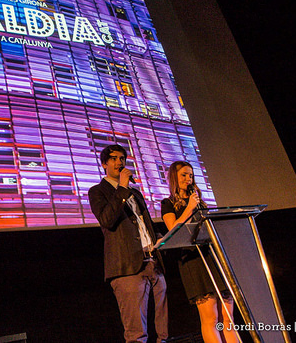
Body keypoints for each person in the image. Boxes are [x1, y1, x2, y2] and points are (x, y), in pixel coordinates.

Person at [88, 144, 169, 343]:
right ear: (104, 164)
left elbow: (145, 223)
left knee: (163, 332)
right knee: (136, 334)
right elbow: (107, 220)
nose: (120, 162)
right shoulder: (97, 191)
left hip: (152, 262)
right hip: (126, 268)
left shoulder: (136, 193)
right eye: (114, 158)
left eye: (122, 158)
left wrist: (158, 236)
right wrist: (122, 188)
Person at [161, 161, 239, 343]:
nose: (188, 179)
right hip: (194, 260)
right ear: (174, 177)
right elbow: (172, 229)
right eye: (183, 175)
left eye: (191, 175)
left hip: (213, 257)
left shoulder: (200, 202)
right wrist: (188, 208)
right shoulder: (168, 203)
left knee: (227, 319)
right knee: (211, 318)